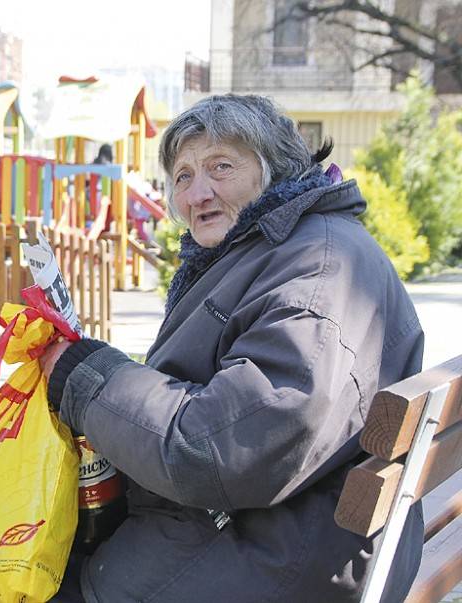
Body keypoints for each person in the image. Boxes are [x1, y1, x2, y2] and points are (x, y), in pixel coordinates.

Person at [39, 94, 424, 602]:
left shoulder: (314, 278)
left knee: (36, 583)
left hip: (269, 561)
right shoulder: (290, 245)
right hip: (287, 539)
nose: (198, 194)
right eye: (182, 177)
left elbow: (218, 451)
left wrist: (86, 377)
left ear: (276, 169)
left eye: (221, 167)